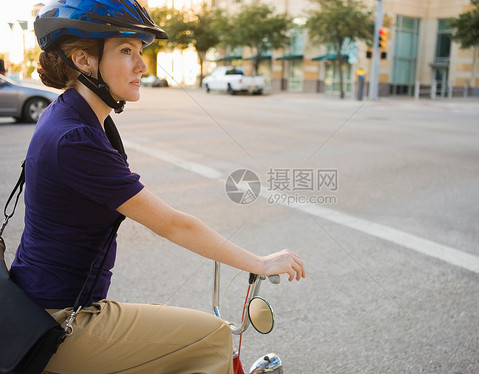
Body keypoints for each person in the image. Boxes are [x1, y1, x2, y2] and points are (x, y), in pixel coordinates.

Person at [9, 1, 305, 373]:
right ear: (84, 60)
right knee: (212, 337)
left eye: (140, 51)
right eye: (126, 51)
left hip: (44, 303)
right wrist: (260, 263)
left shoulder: (73, 115)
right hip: (62, 320)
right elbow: (171, 224)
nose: (141, 66)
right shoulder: (74, 137)